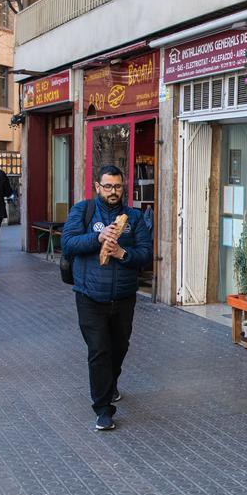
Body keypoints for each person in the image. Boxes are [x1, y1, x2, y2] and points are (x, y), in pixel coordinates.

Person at [61, 164, 153, 431]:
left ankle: (110, 385)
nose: (113, 191)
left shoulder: (133, 218)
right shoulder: (83, 210)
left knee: (119, 347)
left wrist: (122, 254)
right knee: (99, 350)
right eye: (108, 186)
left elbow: (145, 254)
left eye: (118, 186)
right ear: (97, 187)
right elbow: (68, 243)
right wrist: (97, 237)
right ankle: (103, 408)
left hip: (123, 297)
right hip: (89, 295)